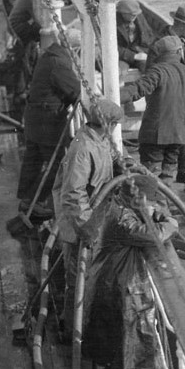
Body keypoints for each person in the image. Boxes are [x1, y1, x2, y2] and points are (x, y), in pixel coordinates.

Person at [82, 175, 178, 369]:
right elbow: (153, 235)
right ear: (138, 199)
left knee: (109, 341)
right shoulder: (123, 220)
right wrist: (171, 223)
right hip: (114, 287)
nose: (152, 206)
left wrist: (152, 213)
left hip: (108, 282)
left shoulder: (116, 207)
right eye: (150, 202)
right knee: (120, 337)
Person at [52, 97, 125, 341]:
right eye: (115, 124)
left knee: (88, 280)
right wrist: (86, 229)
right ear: (108, 124)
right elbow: (73, 196)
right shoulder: (82, 149)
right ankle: (73, 335)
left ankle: (81, 328)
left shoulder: (100, 140)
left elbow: (113, 158)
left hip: (94, 220)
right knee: (78, 282)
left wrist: (127, 167)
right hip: (79, 227)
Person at [16, 27, 83, 217]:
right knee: (59, 165)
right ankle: (35, 201)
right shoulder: (59, 63)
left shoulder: (49, 56)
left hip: (35, 117)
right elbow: (75, 90)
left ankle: (26, 201)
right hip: (48, 122)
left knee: (33, 160)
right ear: (74, 48)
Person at [122, 35, 185, 181]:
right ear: (179, 52)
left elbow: (137, 89)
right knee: (167, 175)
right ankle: (166, 193)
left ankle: (152, 195)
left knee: (149, 177)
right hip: (177, 136)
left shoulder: (157, 71)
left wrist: (113, 97)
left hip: (154, 136)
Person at [150, 4, 185, 182]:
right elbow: (152, 70)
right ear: (184, 26)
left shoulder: (183, 42)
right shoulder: (160, 42)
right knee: (174, 134)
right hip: (169, 95)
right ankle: (169, 174)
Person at [116, 0, 160, 69]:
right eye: (132, 14)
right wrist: (134, 56)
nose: (135, 16)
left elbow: (149, 36)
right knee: (119, 71)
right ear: (123, 13)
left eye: (136, 14)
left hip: (139, 50)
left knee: (150, 66)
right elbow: (111, 48)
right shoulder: (113, 22)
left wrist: (149, 53)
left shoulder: (138, 16)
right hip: (121, 56)